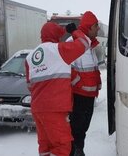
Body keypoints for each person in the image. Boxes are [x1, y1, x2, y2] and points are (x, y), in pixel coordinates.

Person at [25, 22, 90, 156]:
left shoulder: (29, 57)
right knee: (62, 145)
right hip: (55, 108)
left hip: (37, 108)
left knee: (45, 145)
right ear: (56, 36)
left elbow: (30, 85)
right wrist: (74, 31)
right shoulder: (59, 49)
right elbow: (85, 43)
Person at [68, 11, 101, 156]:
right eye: (96, 26)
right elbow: (66, 68)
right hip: (78, 96)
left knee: (82, 128)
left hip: (88, 96)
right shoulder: (74, 42)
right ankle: (74, 152)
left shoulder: (89, 45)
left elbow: (92, 68)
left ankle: (79, 150)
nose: (98, 29)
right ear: (88, 27)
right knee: (76, 130)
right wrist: (79, 83)